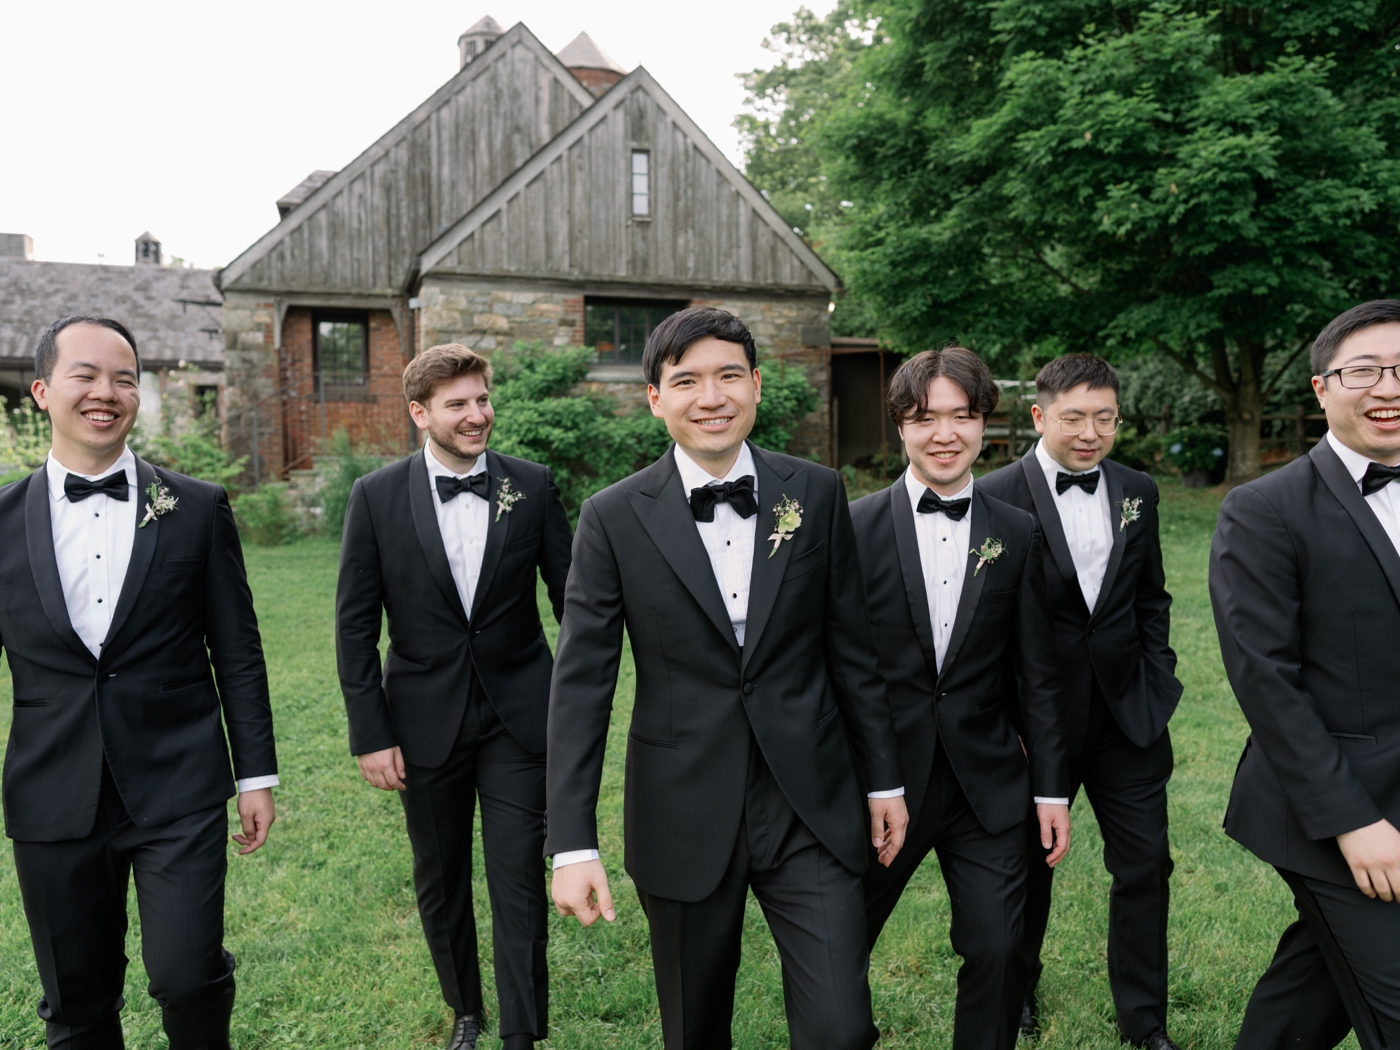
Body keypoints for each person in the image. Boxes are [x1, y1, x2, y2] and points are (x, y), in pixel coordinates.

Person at [545, 306, 908, 1050]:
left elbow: (853, 651)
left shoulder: (815, 492)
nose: (710, 396)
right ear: (655, 397)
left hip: (809, 800)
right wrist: (572, 842)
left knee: (842, 1027)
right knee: (695, 1030)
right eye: (686, 381)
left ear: (757, 386)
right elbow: (583, 685)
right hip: (681, 808)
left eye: (728, 376)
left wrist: (884, 783)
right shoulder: (611, 518)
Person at [1, 316, 278, 1050]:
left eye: (124, 378)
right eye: (85, 375)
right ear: (42, 391)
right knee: (76, 999)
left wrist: (256, 775)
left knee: (187, 975)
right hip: (52, 793)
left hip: (178, 783)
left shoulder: (195, 508)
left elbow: (238, 651)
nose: (106, 392)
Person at [336, 344, 572, 1050]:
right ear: (420, 413)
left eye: (482, 399)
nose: (477, 415)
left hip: (518, 719)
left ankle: (523, 1033)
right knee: (440, 878)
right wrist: (369, 732)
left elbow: (575, 604)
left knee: (519, 878)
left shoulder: (531, 484)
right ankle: (465, 1008)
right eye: (458, 404)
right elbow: (354, 627)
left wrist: (574, 705)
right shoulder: (375, 497)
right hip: (420, 722)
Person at [848, 346, 1070, 1050]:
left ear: (985, 425)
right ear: (901, 426)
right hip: (880, 783)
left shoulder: (1018, 531)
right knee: (834, 944)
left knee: (1001, 950)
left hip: (988, 782)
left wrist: (1052, 791)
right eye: (925, 418)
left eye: (961, 417)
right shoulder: (850, 529)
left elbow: (1039, 672)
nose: (944, 434)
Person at [1211, 299, 1400, 1050]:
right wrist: (1354, 823)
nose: (1388, 386)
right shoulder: (1263, 510)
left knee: (1313, 985)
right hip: (1330, 809)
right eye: (1365, 370)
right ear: (1323, 388)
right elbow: (1266, 681)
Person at [979, 353, 1182, 1048]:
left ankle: (1144, 1018)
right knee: (1028, 870)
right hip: (1036, 727)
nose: (1090, 431)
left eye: (1104, 418)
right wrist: (1008, 723)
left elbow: (1151, 598)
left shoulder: (1137, 490)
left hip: (1130, 716)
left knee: (1146, 865)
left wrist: (1159, 679)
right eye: (1074, 417)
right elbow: (984, 624)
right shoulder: (994, 495)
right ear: (1039, 416)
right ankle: (1019, 988)